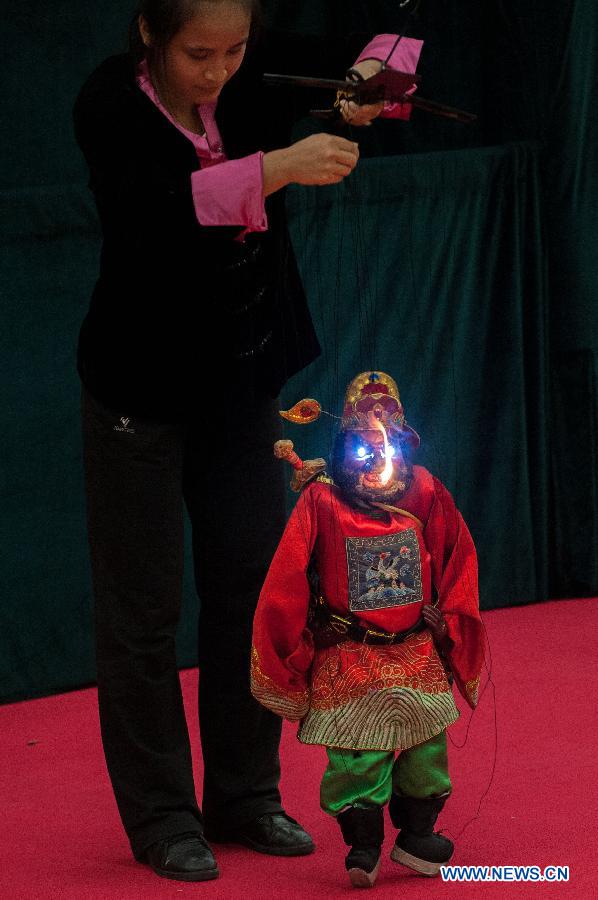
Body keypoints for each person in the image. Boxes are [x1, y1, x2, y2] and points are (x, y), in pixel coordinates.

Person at [74, 0, 424, 883]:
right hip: (140, 389)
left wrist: (372, 87)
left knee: (251, 594)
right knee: (144, 616)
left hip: (241, 380)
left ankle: (245, 794)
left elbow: (378, 47)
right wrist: (280, 165)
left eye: (234, 49)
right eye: (200, 53)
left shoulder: (256, 66)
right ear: (151, 34)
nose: (220, 70)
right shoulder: (109, 104)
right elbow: (157, 211)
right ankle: (161, 817)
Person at [251, 371, 485, 887]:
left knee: (427, 748)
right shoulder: (321, 500)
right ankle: (363, 845)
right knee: (357, 755)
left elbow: (456, 558)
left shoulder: (424, 489)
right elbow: (290, 575)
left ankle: (418, 836)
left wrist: (445, 623)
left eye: (387, 445)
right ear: (344, 445)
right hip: (351, 653)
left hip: (415, 652)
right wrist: (310, 628)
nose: (377, 458)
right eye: (363, 448)